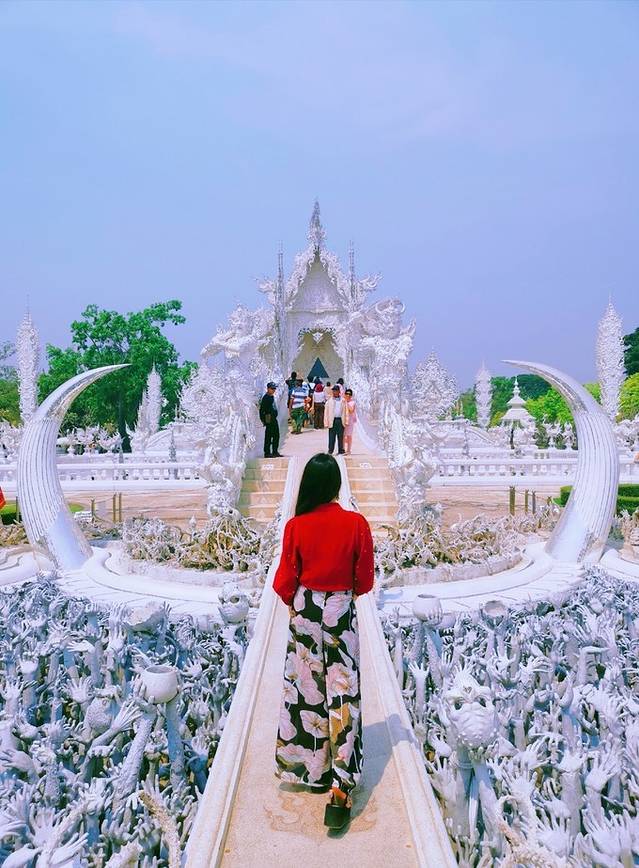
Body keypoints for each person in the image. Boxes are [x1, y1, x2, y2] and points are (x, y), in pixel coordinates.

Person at [273, 453, 374, 829]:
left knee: (306, 689)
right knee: (342, 693)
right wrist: (341, 598)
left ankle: (312, 770)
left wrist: (296, 603)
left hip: (306, 610)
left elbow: (286, 580)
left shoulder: (296, 526)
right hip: (339, 611)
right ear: (336, 486)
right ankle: (341, 786)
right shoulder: (356, 524)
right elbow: (364, 580)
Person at [259, 382, 282, 458]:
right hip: (269, 419)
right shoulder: (266, 398)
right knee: (268, 436)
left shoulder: (271, 397)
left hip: (273, 419)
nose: (274, 390)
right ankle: (267, 452)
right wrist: (264, 420)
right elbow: (262, 410)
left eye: (274, 388)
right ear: (268, 388)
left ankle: (275, 451)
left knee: (276, 435)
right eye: (272, 388)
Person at [324, 384, 346, 454]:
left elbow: (346, 411)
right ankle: (330, 450)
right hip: (332, 420)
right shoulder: (329, 401)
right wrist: (326, 422)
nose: (334, 392)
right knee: (331, 436)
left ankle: (341, 449)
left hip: (340, 420)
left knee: (340, 436)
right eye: (333, 391)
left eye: (336, 391)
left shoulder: (343, 400)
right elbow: (326, 412)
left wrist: (346, 421)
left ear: (339, 391)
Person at [343, 388, 357, 455]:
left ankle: (348, 450)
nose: (348, 395)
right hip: (343, 420)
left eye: (349, 394)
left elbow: (351, 410)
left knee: (349, 436)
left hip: (350, 421)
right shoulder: (342, 401)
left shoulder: (352, 402)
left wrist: (346, 402)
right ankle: (343, 449)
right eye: (347, 394)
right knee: (343, 436)